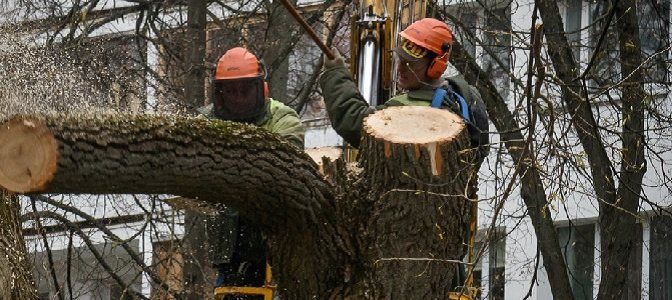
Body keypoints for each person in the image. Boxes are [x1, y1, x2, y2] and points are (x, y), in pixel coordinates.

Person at [318, 17, 490, 287]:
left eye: (411, 63)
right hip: (449, 237)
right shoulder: (466, 97)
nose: (401, 68)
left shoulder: (407, 111)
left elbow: (354, 121)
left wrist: (335, 74)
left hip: (402, 241)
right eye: (400, 58)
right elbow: (481, 148)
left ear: (435, 65)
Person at [200, 47, 305, 296]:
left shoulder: (282, 119)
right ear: (219, 93)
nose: (237, 97)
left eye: (244, 90)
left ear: (261, 88)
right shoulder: (205, 122)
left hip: (273, 247)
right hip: (229, 249)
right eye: (230, 91)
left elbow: (284, 159)